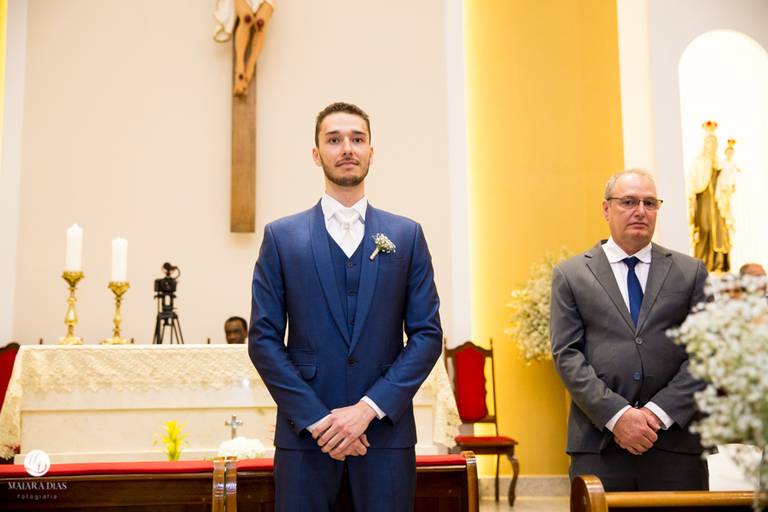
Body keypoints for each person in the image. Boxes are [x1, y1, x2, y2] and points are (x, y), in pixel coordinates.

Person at [248, 102, 442, 511]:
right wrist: (320, 422)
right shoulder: (282, 238)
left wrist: (368, 409)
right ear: (317, 154)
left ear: (372, 151)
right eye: (334, 140)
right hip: (305, 438)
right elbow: (263, 340)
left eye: (357, 139)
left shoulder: (405, 236)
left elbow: (427, 335)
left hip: (385, 437)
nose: (347, 148)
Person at [551, 169, 709, 491]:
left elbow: (706, 352)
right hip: (600, 445)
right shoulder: (571, 275)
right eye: (628, 201)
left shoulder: (690, 272)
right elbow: (567, 355)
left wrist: (656, 414)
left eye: (650, 203)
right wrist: (619, 416)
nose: (640, 211)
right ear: (606, 209)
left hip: (676, 444)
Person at [687, 121, 732, 272]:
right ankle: (704, 264)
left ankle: (719, 264)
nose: (711, 146)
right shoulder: (698, 161)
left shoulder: (719, 163)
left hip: (717, 203)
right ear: (704, 144)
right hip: (704, 200)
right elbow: (693, 182)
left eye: (714, 143)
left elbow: (726, 181)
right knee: (705, 229)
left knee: (718, 231)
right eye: (709, 142)